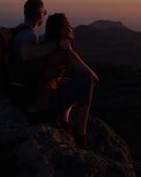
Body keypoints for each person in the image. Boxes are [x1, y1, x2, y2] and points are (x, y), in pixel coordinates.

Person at [30, 13, 99, 148]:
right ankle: (80, 135)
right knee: (86, 80)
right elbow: (94, 78)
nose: (72, 27)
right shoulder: (65, 54)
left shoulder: (45, 46)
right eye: (68, 25)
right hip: (44, 111)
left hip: (32, 109)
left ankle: (64, 120)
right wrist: (70, 51)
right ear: (61, 30)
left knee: (69, 82)